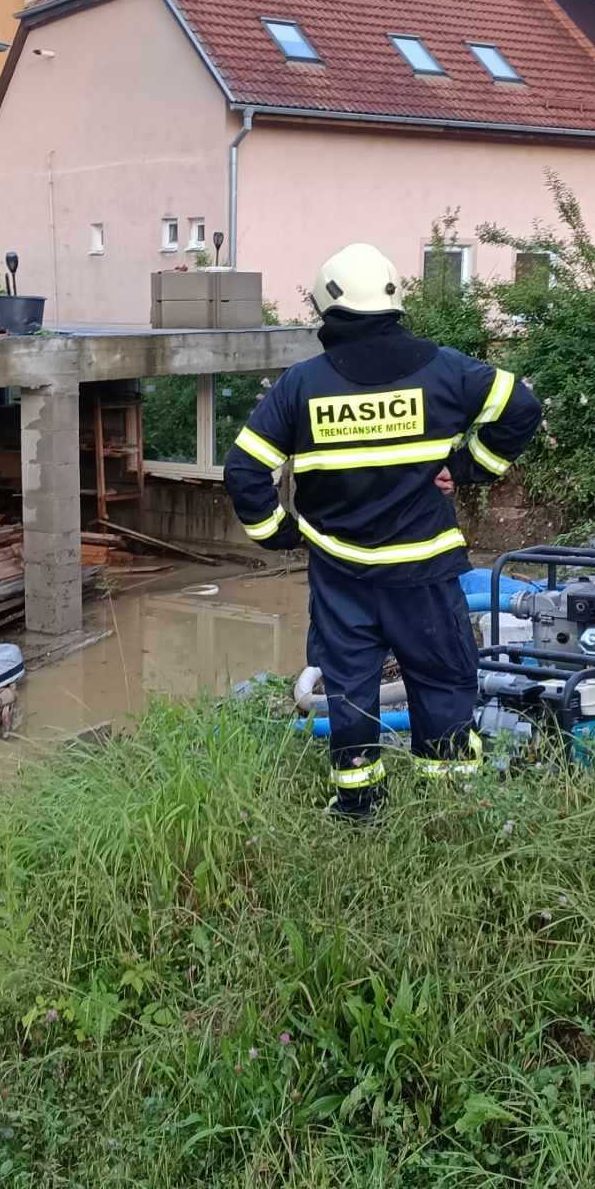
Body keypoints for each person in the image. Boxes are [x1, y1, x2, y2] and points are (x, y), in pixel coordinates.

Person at [223, 242, 541, 816]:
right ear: (395, 299)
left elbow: (245, 469)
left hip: (341, 572)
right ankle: (448, 805)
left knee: (349, 688)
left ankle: (358, 805)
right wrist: (471, 467)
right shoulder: (445, 369)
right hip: (425, 569)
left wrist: (278, 533)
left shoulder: (301, 385)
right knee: (444, 681)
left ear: (326, 307)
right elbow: (520, 406)